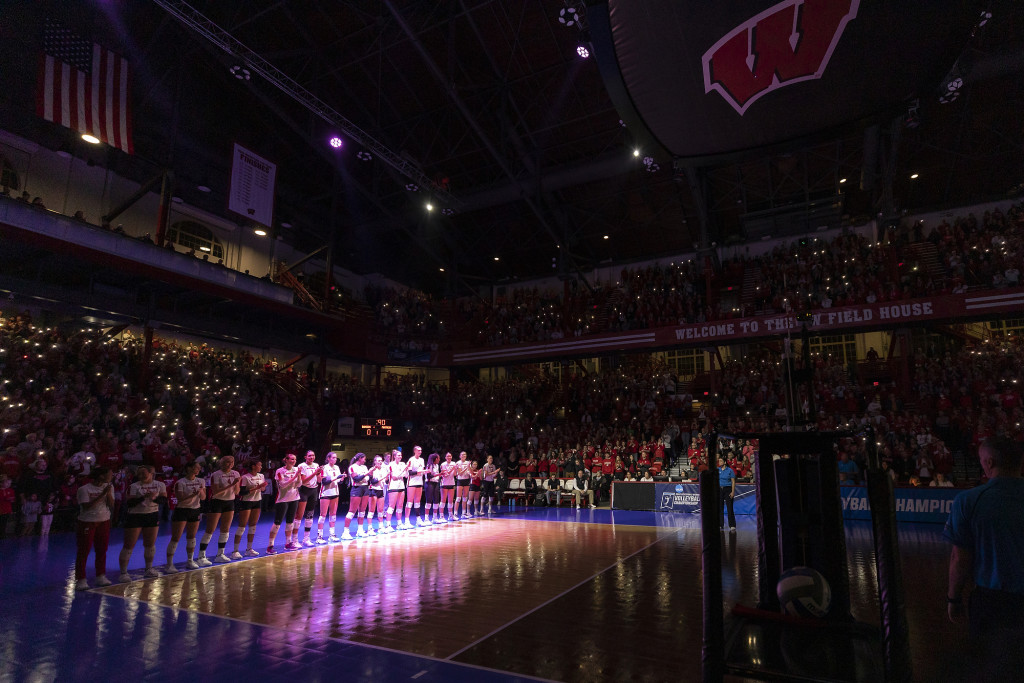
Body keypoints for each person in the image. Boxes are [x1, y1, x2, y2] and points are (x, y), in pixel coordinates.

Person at [945, 437, 1024, 660]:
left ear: (989, 463)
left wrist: (953, 599)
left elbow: (959, 559)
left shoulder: (968, 500)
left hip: (992, 603)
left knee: (990, 663)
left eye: (981, 461)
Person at [118, 465, 167, 581]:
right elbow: (129, 503)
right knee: (129, 545)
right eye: (139, 474)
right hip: (135, 516)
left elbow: (163, 500)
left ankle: (148, 569)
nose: (141, 476)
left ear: (150, 473)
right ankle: (123, 572)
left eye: (143, 473)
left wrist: (153, 498)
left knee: (150, 544)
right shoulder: (133, 486)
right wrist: (143, 497)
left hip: (152, 514)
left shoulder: (160, 485)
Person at [74, 467, 114, 590]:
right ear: (101, 476)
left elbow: (111, 506)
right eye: (109, 473)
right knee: (84, 550)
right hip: (87, 522)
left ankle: (100, 576)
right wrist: (102, 494)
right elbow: (86, 507)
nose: (111, 476)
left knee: (102, 549)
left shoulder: (109, 487)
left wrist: (107, 494)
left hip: (104, 521)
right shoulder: (84, 489)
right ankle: (81, 579)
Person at [198, 455, 240, 565]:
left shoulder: (236, 474)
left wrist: (236, 485)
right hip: (217, 502)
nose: (230, 464)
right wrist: (231, 484)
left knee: (225, 529)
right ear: (221, 463)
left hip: (230, 502)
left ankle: (220, 554)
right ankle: (201, 556)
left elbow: (236, 492)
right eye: (227, 462)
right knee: (210, 529)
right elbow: (215, 491)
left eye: (232, 462)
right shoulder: (216, 474)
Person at [165, 462, 205, 572]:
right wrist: (193, 494)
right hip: (182, 510)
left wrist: (200, 492)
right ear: (189, 468)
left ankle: (190, 560)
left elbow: (204, 497)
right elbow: (180, 498)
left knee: (192, 537)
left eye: (198, 468)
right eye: (196, 467)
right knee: (176, 537)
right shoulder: (180, 482)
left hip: (195, 510)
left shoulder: (201, 481)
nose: (198, 469)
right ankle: (169, 564)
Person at [233, 460, 268, 556]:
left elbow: (263, 490)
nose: (261, 467)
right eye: (259, 465)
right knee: (242, 526)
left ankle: (249, 549)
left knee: (253, 526)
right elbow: (242, 493)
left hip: (257, 501)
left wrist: (263, 487)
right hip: (246, 502)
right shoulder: (245, 477)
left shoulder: (261, 476)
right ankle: (235, 551)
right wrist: (256, 488)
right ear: (253, 466)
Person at [267, 454, 301, 553]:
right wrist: (295, 475)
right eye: (291, 459)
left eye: (295, 459)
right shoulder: (280, 471)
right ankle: (270, 546)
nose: (293, 461)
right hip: (282, 499)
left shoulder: (296, 469)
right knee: (277, 522)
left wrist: (298, 476)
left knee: (290, 522)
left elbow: (299, 484)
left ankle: (288, 543)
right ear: (286, 460)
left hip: (294, 498)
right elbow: (282, 485)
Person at [296, 450, 323, 546]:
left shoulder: (316, 465)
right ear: (305, 457)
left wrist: (319, 473)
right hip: (304, 490)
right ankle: (294, 540)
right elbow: (303, 481)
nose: (311, 457)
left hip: (313, 491)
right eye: (309, 456)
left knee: (310, 515)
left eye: (313, 455)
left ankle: (306, 539)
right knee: (299, 515)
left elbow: (319, 480)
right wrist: (315, 473)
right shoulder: (301, 466)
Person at [316, 452, 344, 542]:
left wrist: (342, 478)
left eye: (336, 458)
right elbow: (324, 481)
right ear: (328, 458)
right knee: (323, 515)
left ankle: (332, 534)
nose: (335, 459)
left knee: (333, 515)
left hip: (335, 493)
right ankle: (319, 536)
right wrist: (336, 477)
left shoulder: (337, 467)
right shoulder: (324, 468)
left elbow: (338, 480)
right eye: (333, 457)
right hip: (325, 493)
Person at [342, 453, 368, 539]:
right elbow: (356, 479)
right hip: (357, 489)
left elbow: (367, 478)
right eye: (364, 458)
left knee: (362, 511)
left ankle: (360, 530)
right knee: (352, 511)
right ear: (360, 458)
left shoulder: (364, 467)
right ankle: (345, 532)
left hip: (365, 488)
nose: (365, 460)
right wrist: (365, 475)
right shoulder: (352, 467)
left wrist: (367, 475)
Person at [383, 449, 407, 532]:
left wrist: (403, 473)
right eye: (398, 455)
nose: (400, 456)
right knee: (391, 506)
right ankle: (388, 525)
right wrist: (401, 474)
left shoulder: (403, 464)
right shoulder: (390, 465)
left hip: (401, 486)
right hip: (393, 487)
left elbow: (406, 475)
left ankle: (399, 524)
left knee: (400, 506)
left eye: (401, 455)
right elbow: (393, 477)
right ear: (394, 456)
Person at [366, 455, 389, 535]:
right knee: (371, 511)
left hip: (381, 490)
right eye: (378, 460)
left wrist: (386, 478)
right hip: (373, 490)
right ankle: (369, 528)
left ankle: (380, 527)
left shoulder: (383, 469)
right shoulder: (371, 470)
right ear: (374, 461)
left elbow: (385, 481)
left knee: (380, 511)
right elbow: (373, 481)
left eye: (381, 460)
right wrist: (383, 478)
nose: (380, 462)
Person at [405, 446, 426, 527]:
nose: (420, 452)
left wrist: (424, 472)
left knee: (417, 502)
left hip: (419, 482)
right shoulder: (411, 459)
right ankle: (407, 520)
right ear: (414, 451)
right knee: (409, 502)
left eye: (421, 450)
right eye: (418, 450)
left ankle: (418, 519)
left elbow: (422, 471)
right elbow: (410, 472)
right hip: (411, 483)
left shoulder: (422, 460)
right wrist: (419, 471)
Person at [718, 456, 736, 531]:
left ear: (725, 462)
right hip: (719, 489)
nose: (719, 462)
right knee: (720, 508)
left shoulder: (730, 470)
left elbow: (733, 482)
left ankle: (732, 525)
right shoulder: (717, 470)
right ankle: (720, 524)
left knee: (729, 508)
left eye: (721, 461)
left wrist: (732, 492)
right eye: (719, 461)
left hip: (728, 489)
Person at [423, 452, 442, 524]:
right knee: (429, 500)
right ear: (436, 458)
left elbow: (436, 475)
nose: (439, 459)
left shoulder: (437, 465)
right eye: (438, 458)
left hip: (436, 483)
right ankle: (426, 518)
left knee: (436, 500)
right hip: (429, 483)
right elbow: (429, 476)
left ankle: (435, 517)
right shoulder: (429, 465)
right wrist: (439, 474)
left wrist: (441, 475)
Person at [439, 452, 457, 521]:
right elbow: (445, 474)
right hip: (444, 484)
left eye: (450, 456)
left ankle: (450, 515)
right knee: (443, 500)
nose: (449, 457)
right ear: (445, 457)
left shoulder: (453, 463)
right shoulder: (443, 464)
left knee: (450, 501)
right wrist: (452, 468)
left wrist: (455, 469)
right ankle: (441, 516)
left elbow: (455, 474)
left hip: (451, 483)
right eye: (447, 456)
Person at [454, 451, 472, 519]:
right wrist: (466, 467)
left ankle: (463, 513)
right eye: (462, 454)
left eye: (465, 454)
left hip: (466, 480)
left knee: (465, 498)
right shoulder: (458, 463)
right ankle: (455, 513)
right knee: (458, 498)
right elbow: (460, 473)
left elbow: (470, 471)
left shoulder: (468, 463)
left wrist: (469, 468)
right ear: (460, 456)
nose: (463, 455)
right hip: (460, 481)